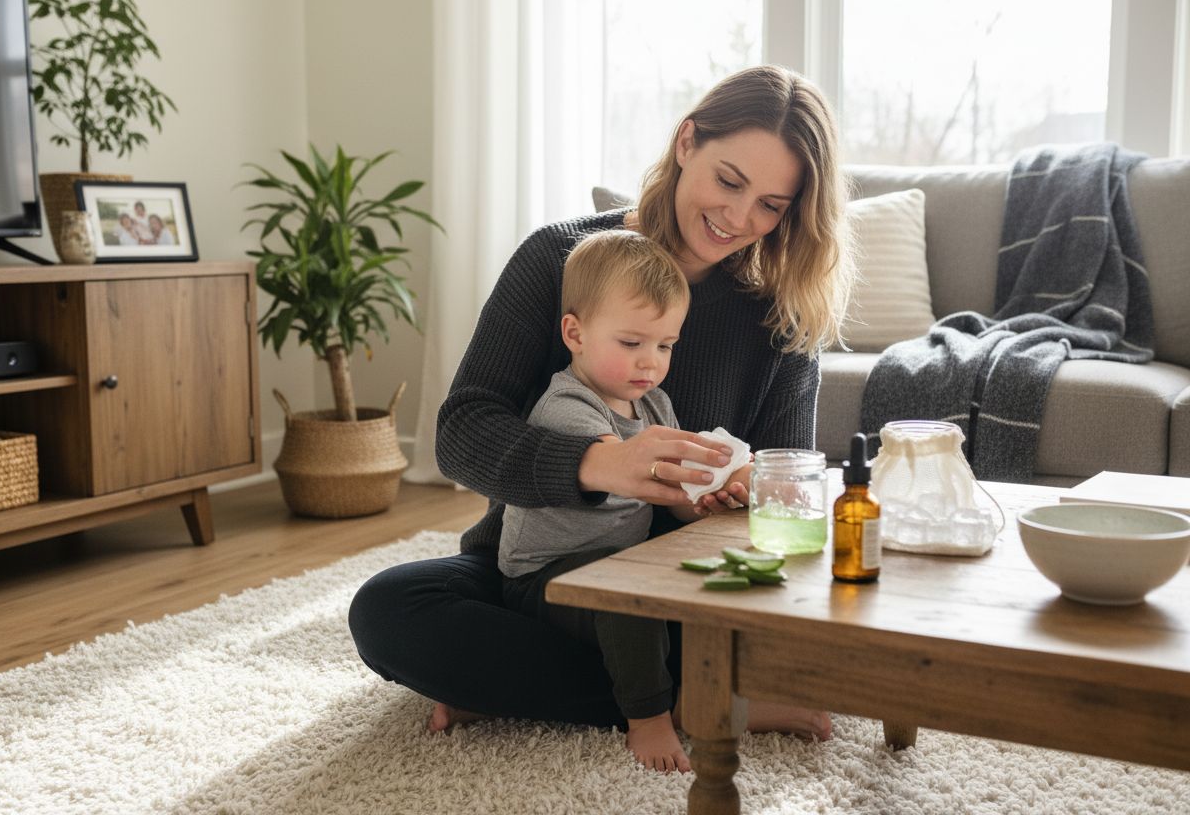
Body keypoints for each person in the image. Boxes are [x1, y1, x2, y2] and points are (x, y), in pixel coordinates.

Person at [349, 65, 854, 747]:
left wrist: (747, 489)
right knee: (389, 610)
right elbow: (463, 432)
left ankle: (518, 687)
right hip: (539, 570)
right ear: (686, 144)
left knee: (823, 627)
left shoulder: (780, 311)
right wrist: (600, 464)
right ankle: (693, 702)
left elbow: (784, 488)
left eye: (770, 204)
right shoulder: (559, 258)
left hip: (683, 585)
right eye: (729, 181)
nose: (738, 218)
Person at [501, 229, 743, 773]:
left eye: (665, 346)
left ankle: (731, 695)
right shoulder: (566, 406)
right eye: (631, 344)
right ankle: (651, 717)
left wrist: (706, 499)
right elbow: (623, 465)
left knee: (711, 590)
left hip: (618, 563)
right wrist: (687, 468)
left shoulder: (653, 403)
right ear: (575, 332)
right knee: (628, 600)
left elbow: (670, 499)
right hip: (543, 577)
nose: (650, 363)